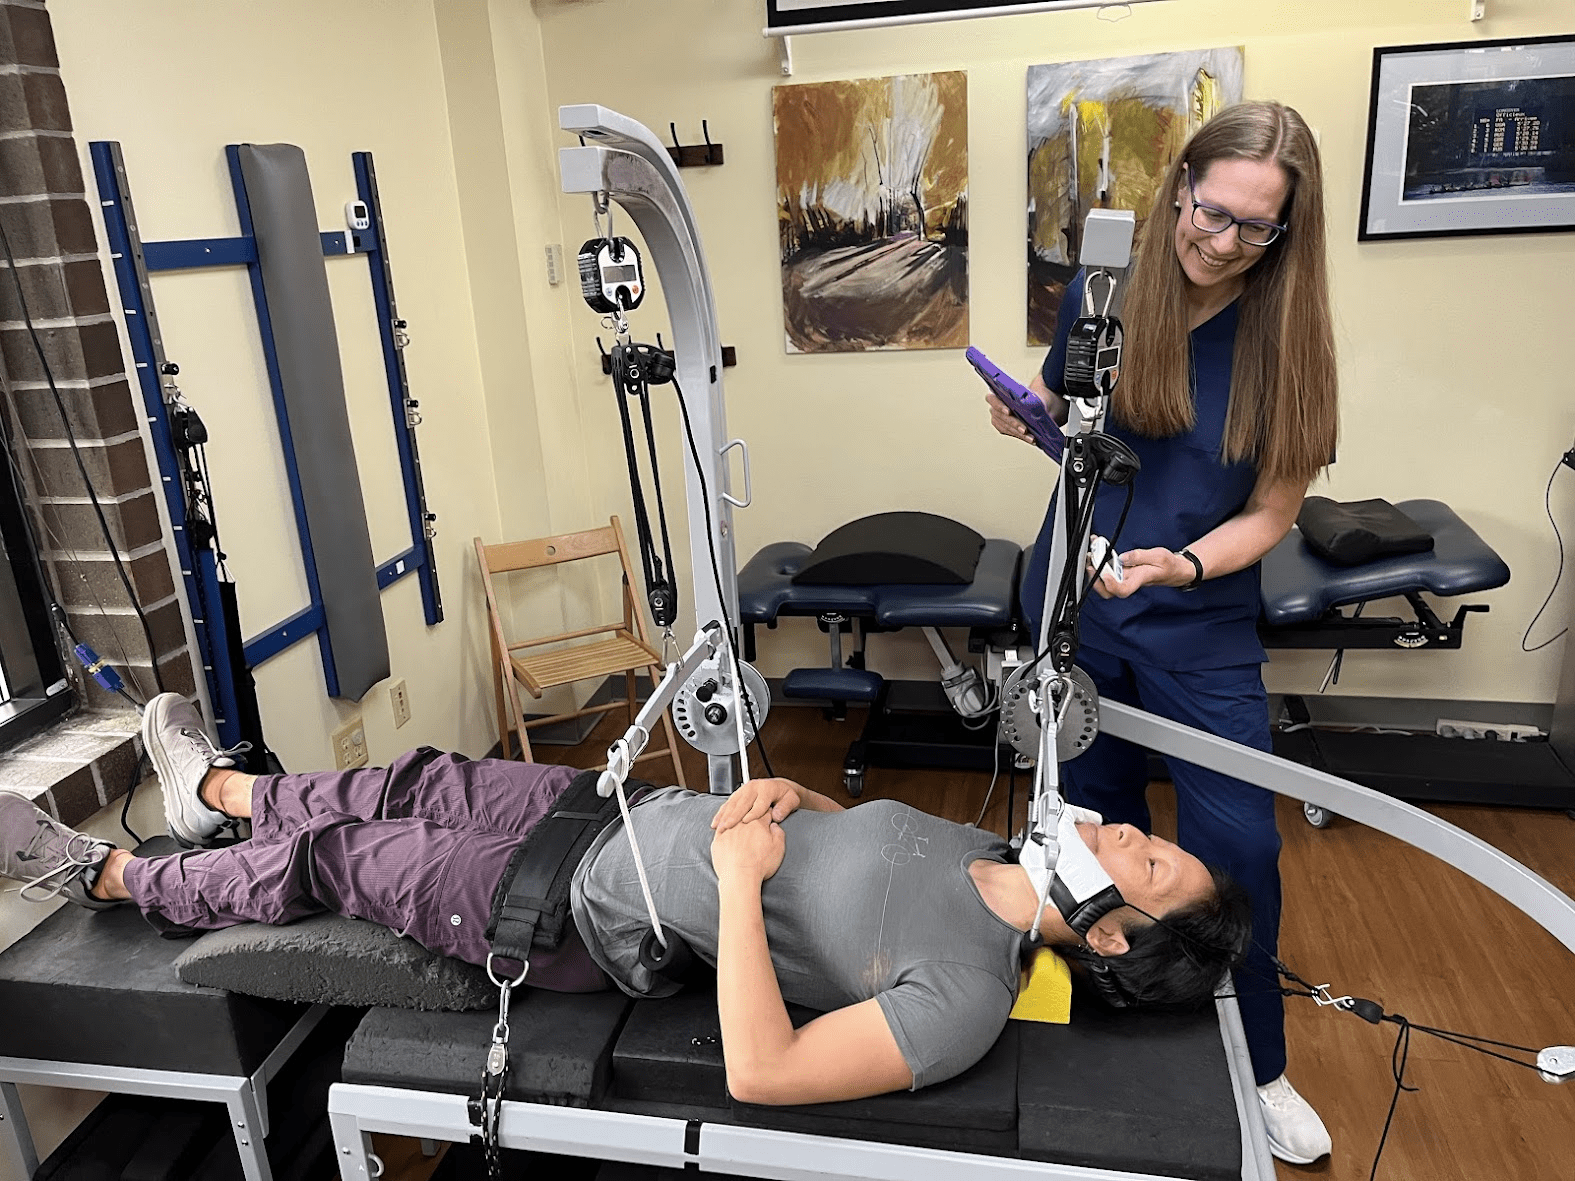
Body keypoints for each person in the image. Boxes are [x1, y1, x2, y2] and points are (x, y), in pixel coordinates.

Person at [1, 692, 1250, 1106]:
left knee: (343, 854)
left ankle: (107, 872)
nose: (1132, 833)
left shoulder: (969, 998)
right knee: (414, 774)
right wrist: (785, 798)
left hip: (576, 916)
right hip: (605, 813)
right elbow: (837, 830)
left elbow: (763, 1067)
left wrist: (734, 884)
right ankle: (216, 788)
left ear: (1118, 935)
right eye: (1151, 837)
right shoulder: (985, 844)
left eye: (1149, 861)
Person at [987, 101, 1338, 1163]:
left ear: (1285, 234)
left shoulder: (1288, 347)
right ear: (1178, 186)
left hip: (1198, 626)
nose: (1216, 240)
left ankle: (1260, 1063)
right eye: (1207, 209)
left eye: (1250, 228)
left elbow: (1273, 511)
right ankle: (1110, 1035)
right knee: (1089, 840)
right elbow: (1054, 407)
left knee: (1238, 852)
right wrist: (1019, 408)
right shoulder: (1108, 295)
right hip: (1079, 615)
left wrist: (1184, 562)